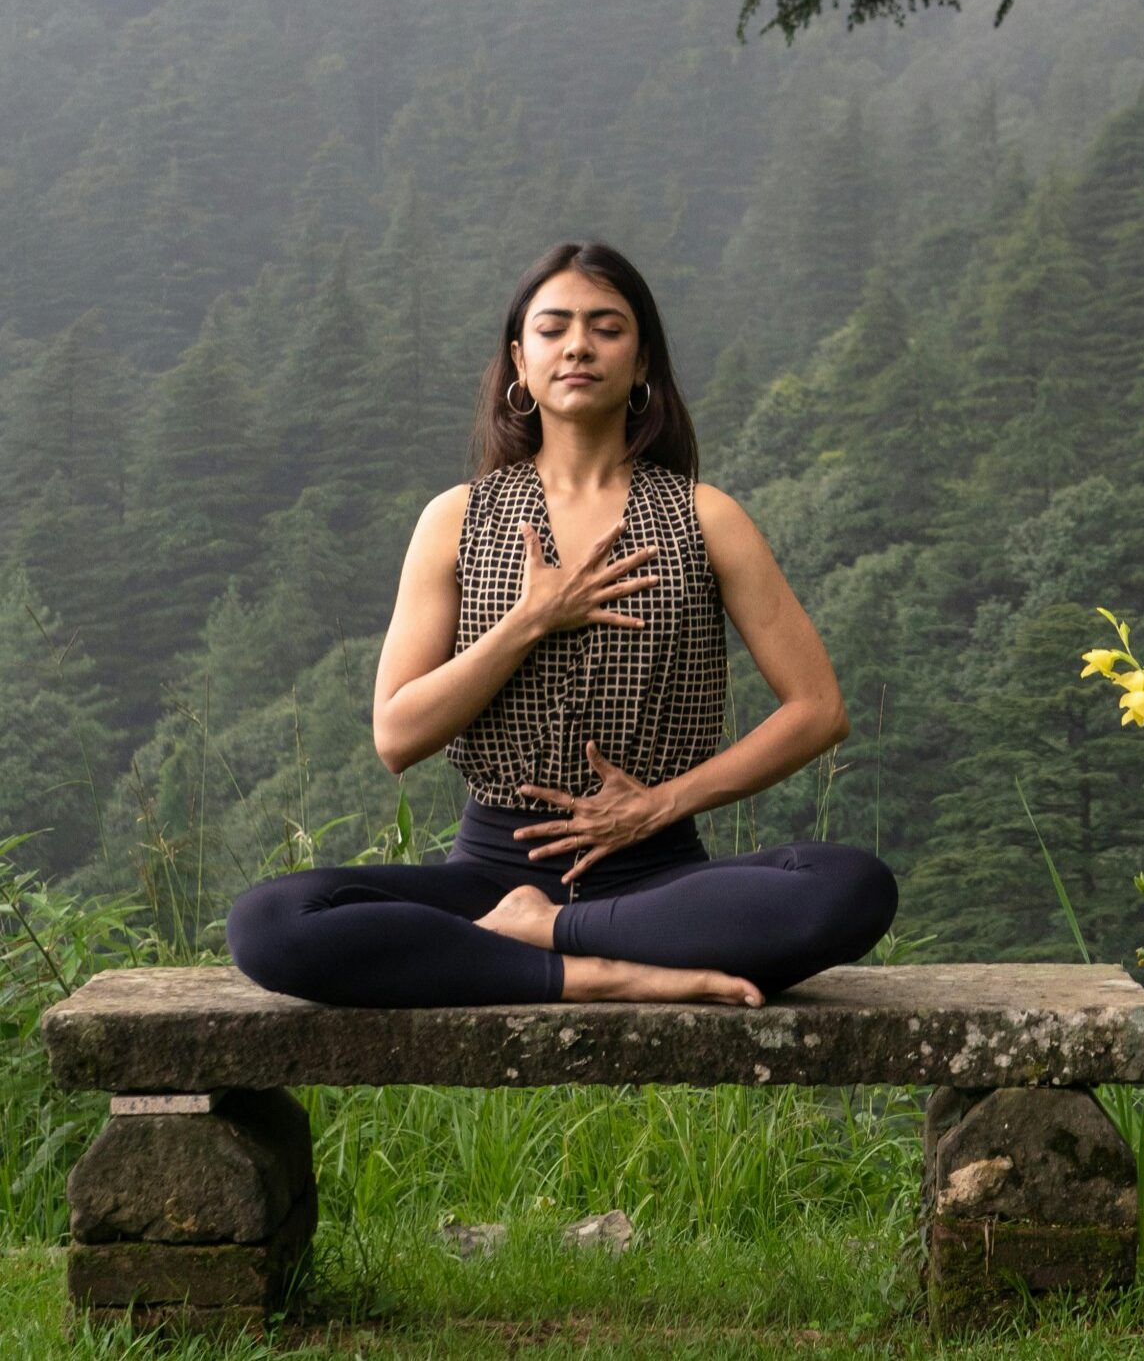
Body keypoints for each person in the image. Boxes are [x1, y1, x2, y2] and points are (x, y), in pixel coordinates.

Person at [225, 240, 897, 1008]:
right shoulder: (456, 519)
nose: (578, 344)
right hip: (490, 872)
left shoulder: (706, 517)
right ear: (519, 360)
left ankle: (547, 938)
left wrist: (659, 804)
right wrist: (530, 619)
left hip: (656, 875)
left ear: (642, 362)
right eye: (554, 328)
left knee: (852, 886)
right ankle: (598, 969)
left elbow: (819, 709)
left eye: (607, 327)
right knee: (270, 921)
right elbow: (397, 735)